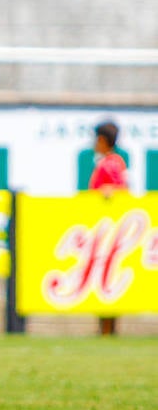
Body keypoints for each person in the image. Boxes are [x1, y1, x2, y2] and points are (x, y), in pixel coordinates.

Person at [88, 120, 128, 336]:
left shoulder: (109, 164)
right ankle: (106, 328)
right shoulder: (117, 162)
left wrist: (107, 190)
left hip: (107, 233)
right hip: (109, 233)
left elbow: (121, 190)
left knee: (105, 278)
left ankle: (106, 329)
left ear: (102, 140)